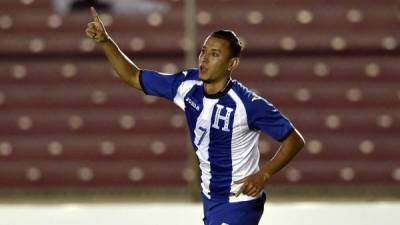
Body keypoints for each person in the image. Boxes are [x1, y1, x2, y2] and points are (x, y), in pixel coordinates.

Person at [85, 7, 305, 225]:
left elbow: (294, 139)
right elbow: (133, 76)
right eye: (204, 51)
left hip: (240, 202)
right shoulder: (187, 85)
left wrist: (264, 174)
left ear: (232, 64)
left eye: (215, 54)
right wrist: (105, 41)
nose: (204, 59)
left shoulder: (247, 104)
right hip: (211, 199)